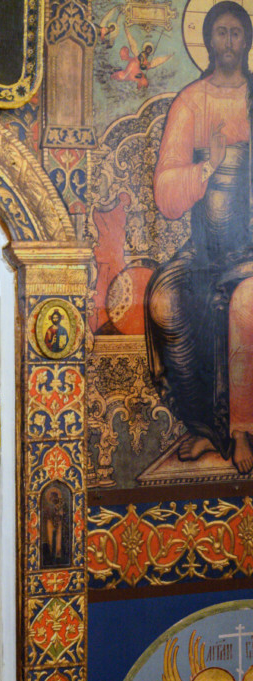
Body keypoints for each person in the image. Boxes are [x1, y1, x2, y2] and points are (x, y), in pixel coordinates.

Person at [148, 1, 253, 473]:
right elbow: (166, 193)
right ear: (207, 40)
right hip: (205, 249)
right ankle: (205, 428)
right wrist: (209, 164)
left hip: (249, 247)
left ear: (247, 41)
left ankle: (241, 429)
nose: (228, 42)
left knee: (243, 306)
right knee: (164, 303)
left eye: (236, 33)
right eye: (220, 33)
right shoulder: (191, 102)